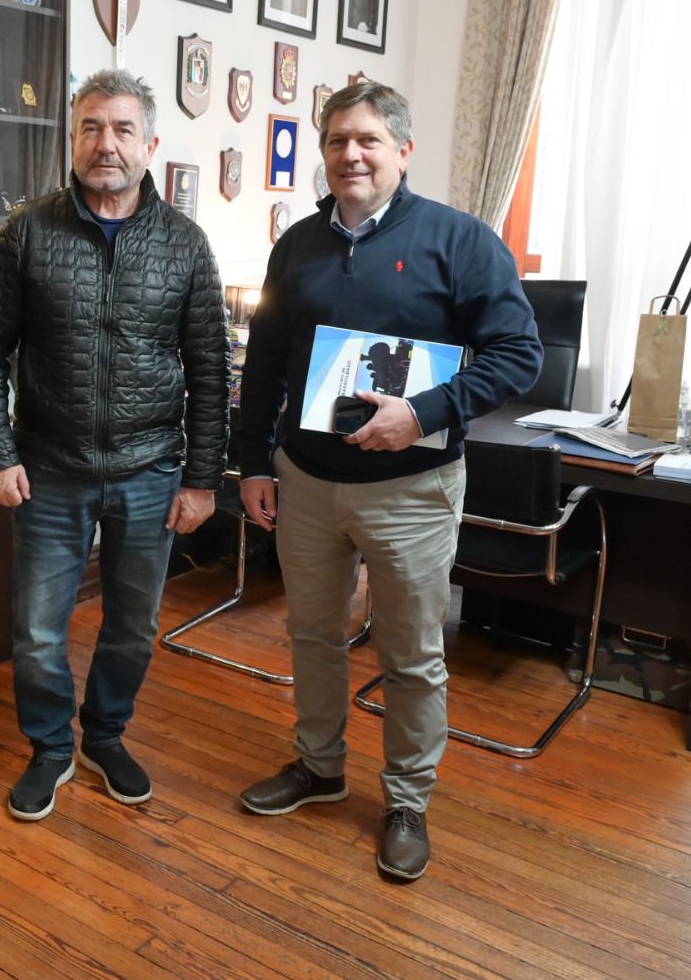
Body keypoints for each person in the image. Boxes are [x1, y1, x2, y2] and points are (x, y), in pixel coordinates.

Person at [231, 81, 541, 881]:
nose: (351, 154)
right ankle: (319, 765)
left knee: (410, 654)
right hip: (307, 482)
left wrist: (424, 411)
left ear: (403, 150)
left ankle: (406, 799)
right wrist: (253, 460)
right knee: (312, 636)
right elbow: (266, 361)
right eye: (337, 140)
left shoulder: (461, 242)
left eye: (368, 139)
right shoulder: (297, 245)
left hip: (413, 488)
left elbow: (519, 354)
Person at [0, 69, 228, 822]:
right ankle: (51, 747)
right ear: (73, 140)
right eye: (90, 127)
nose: (105, 143)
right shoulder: (27, 231)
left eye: (121, 129)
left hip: (151, 471)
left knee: (133, 626)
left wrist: (203, 477)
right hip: (48, 470)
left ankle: (105, 736)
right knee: (37, 630)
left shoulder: (184, 245)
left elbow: (210, 366)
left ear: (149, 144)